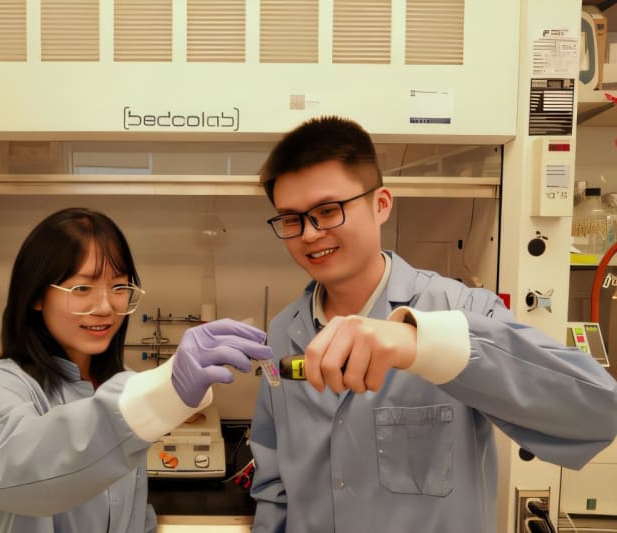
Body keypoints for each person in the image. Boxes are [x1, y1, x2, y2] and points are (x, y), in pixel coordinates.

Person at [249, 116, 617, 532]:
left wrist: (421, 344)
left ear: (381, 203)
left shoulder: (462, 310)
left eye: (328, 211)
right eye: (292, 219)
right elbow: (274, 483)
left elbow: (597, 414)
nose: (310, 234)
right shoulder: (283, 333)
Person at [0, 207, 271, 533]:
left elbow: (134, 515)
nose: (106, 307)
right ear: (36, 295)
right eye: (82, 289)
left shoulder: (119, 382)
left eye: (119, 287)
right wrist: (160, 391)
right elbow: (16, 475)